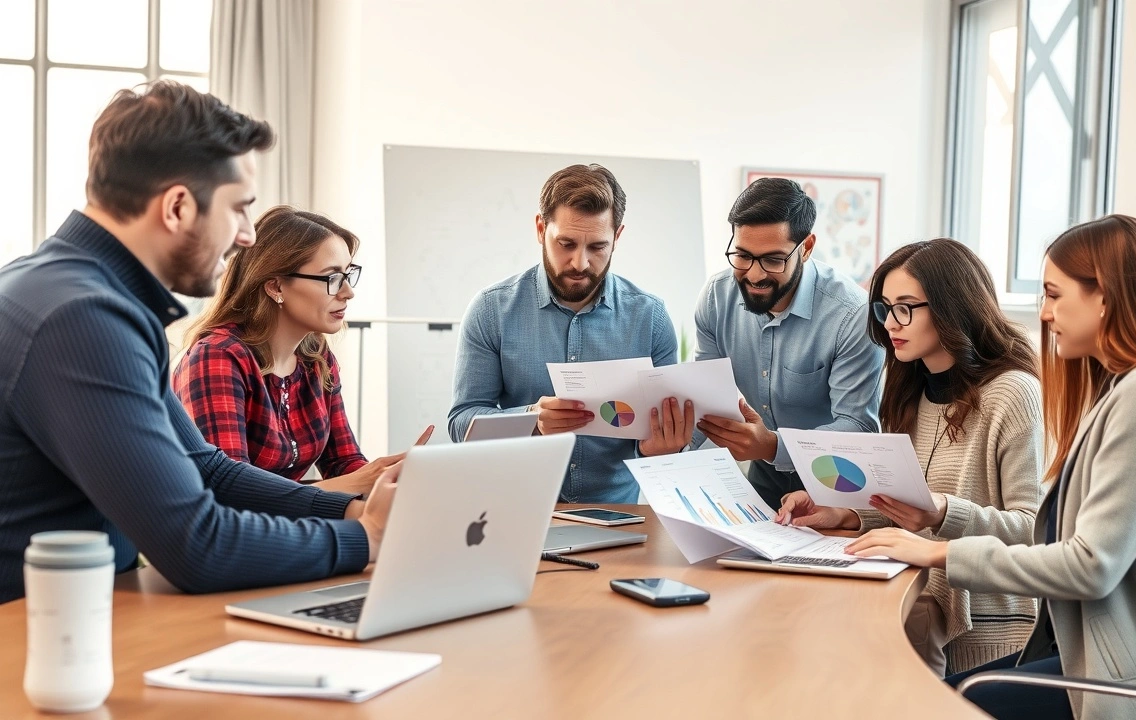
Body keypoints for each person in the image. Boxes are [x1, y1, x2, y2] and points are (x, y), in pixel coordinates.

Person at [0, 81, 396, 604]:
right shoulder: (83, 318)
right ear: (178, 207)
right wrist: (365, 538)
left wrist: (350, 509)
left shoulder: (75, 291)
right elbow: (196, 544)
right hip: (40, 635)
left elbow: (205, 466)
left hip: (79, 613)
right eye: (238, 209)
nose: (248, 236)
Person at [846, 215, 1136, 720]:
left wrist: (942, 551)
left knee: (926, 703)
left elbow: (1089, 566)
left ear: (1104, 297)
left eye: (1055, 295)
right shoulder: (1133, 390)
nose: (1044, 313)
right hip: (1114, 656)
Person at [774, 238, 1041, 675]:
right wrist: (843, 515)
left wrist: (943, 513)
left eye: (905, 307)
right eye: (883, 308)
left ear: (952, 306)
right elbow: (909, 512)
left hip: (991, 635)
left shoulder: (1012, 393)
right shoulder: (908, 390)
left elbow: (1034, 532)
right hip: (917, 603)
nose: (891, 323)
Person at [448, 164, 691, 503]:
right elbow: (462, 424)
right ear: (539, 228)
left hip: (618, 521)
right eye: (566, 243)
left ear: (617, 237)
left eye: (597, 247)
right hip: (517, 510)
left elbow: (660, 444)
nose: (579, 263)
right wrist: (531, 420)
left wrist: (660, 447)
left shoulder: (651, 317)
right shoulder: (491, 310)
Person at [173, 206, 431, 497]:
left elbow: (343, 462)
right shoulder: (217, 357)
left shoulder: (315, 357)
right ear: (275, 286)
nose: (348, 292)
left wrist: (387, 480)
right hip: (224, 536)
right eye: (332, 278)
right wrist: (358, 484)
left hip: (287, 525)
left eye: (348, 275)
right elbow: (230, 495)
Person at [692, 178, 884, 509]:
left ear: (806, 247)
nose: (753, 275)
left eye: (773, 260)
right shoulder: (716, 297)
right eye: (742, 256)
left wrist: (772, 446)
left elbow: (860, 428)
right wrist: (670, 450)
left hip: (837, 475)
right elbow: (704, 399)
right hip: (766, 470)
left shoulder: (852, 314)